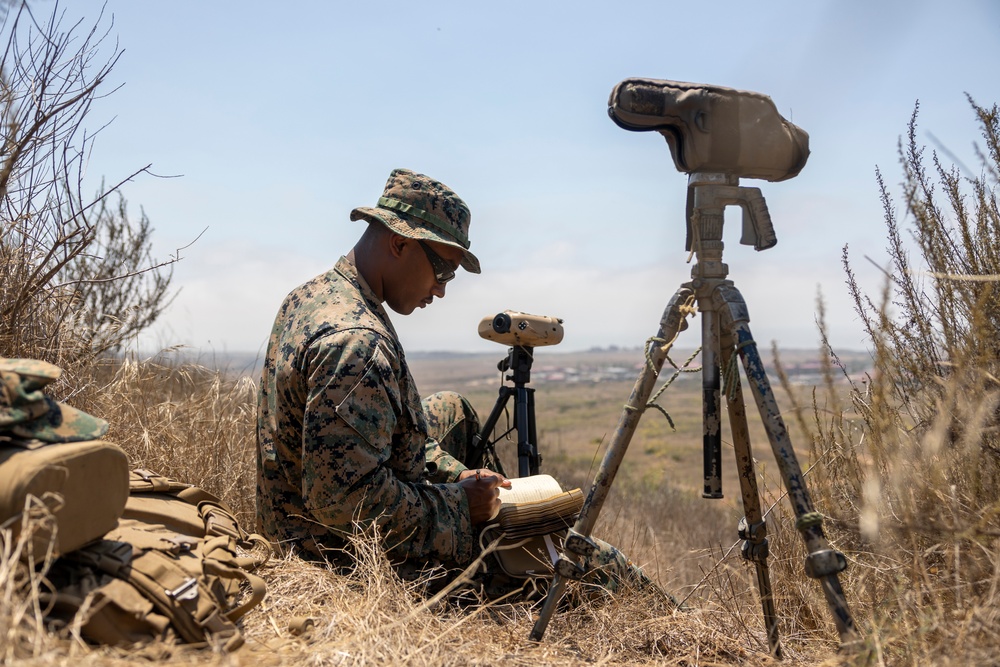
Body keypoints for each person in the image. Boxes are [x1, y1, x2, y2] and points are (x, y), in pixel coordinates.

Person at [256, 168, 652, 599]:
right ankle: (683, 629)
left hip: (298, 525)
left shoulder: (314, 294)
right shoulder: (356, 343)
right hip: (341, 561)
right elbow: (344, 502)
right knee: (593, 560)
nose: (441, 291)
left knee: (452, 408)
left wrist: (459, 476)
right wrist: (460, 508)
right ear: (399, 243)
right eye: (442, 270)